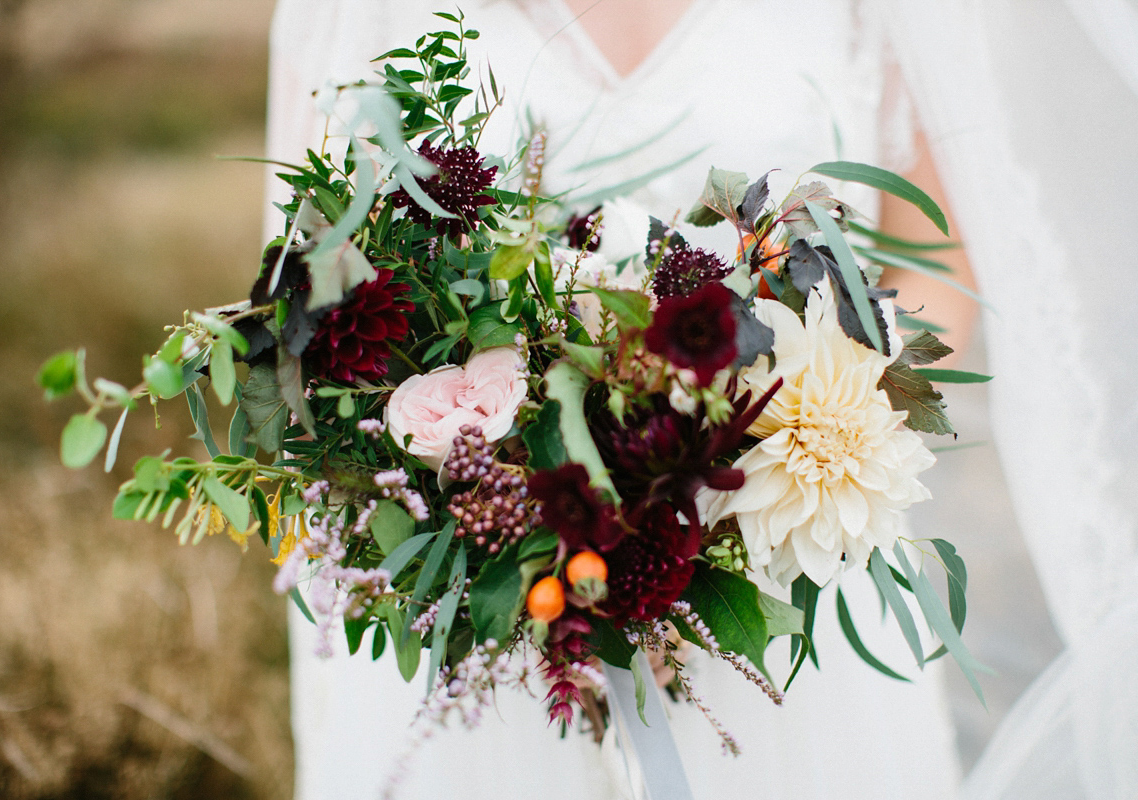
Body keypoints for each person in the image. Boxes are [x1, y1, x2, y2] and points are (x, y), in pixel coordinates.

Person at [266, 0, 1138, 797]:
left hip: (793, 563)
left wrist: (805, 422)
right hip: (494, 604)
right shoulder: (354, 15)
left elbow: (939, 264)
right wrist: (499, 482)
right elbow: (306, 296)